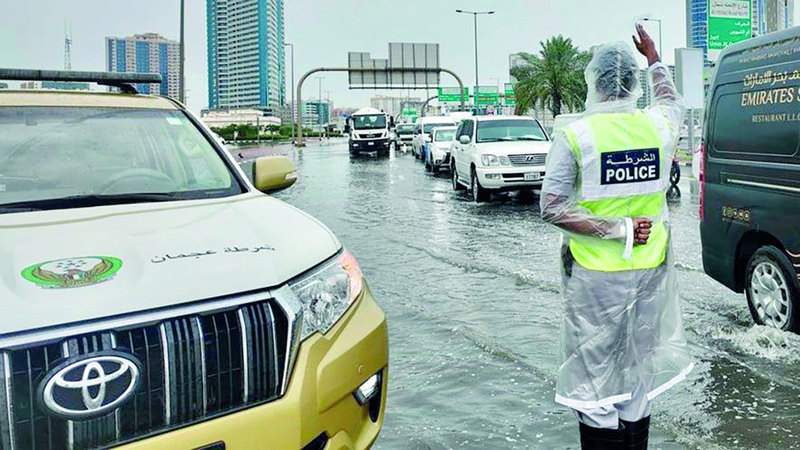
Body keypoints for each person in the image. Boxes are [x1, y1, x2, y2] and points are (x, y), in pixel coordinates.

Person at [540, 25, 694, 449]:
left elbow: (551, 206)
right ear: (633, 83)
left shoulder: (576, 135)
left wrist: (617, 229)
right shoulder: (657, 126)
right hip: (651, 271)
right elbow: (672, 100)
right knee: (637, 373)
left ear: (594, 82)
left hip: (596, 276)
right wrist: (654, 57)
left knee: (594, 381)